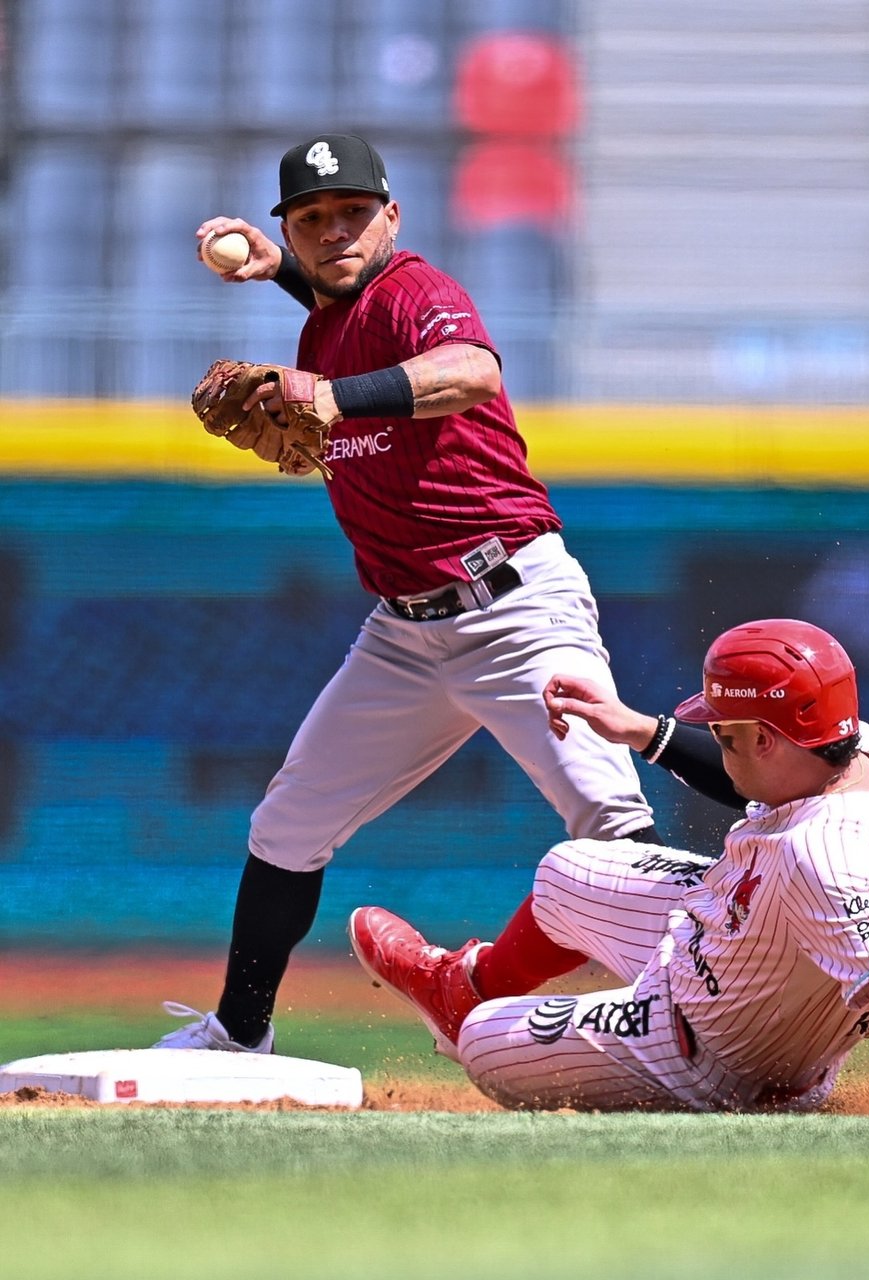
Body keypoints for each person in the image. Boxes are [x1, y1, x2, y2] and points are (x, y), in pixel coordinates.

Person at [155, 134, 660, 1053]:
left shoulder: (420, 290)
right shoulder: (327, 319)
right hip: (402, 633)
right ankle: (238, 1034)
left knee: (611, 821)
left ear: (393, 216)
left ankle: (705, 1019)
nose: (335, 228)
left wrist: (340, 401)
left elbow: (472, 371)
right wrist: (280, 277)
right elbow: (339, 303)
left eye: (353, 210)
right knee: (288, 822)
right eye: (311, 218)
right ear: (289, 233)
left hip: (513, 606)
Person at [348, 618, 869, 1116]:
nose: (723, 747)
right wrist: (643, 730)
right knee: (566, 871)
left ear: (765, 740)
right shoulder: (863, 750)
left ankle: (535, 1027)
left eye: (728, 736)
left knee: (485, 1039)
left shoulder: (826, 855)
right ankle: (460, 987)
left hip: (711, 1050)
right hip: (758, 952)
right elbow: (765, 777)